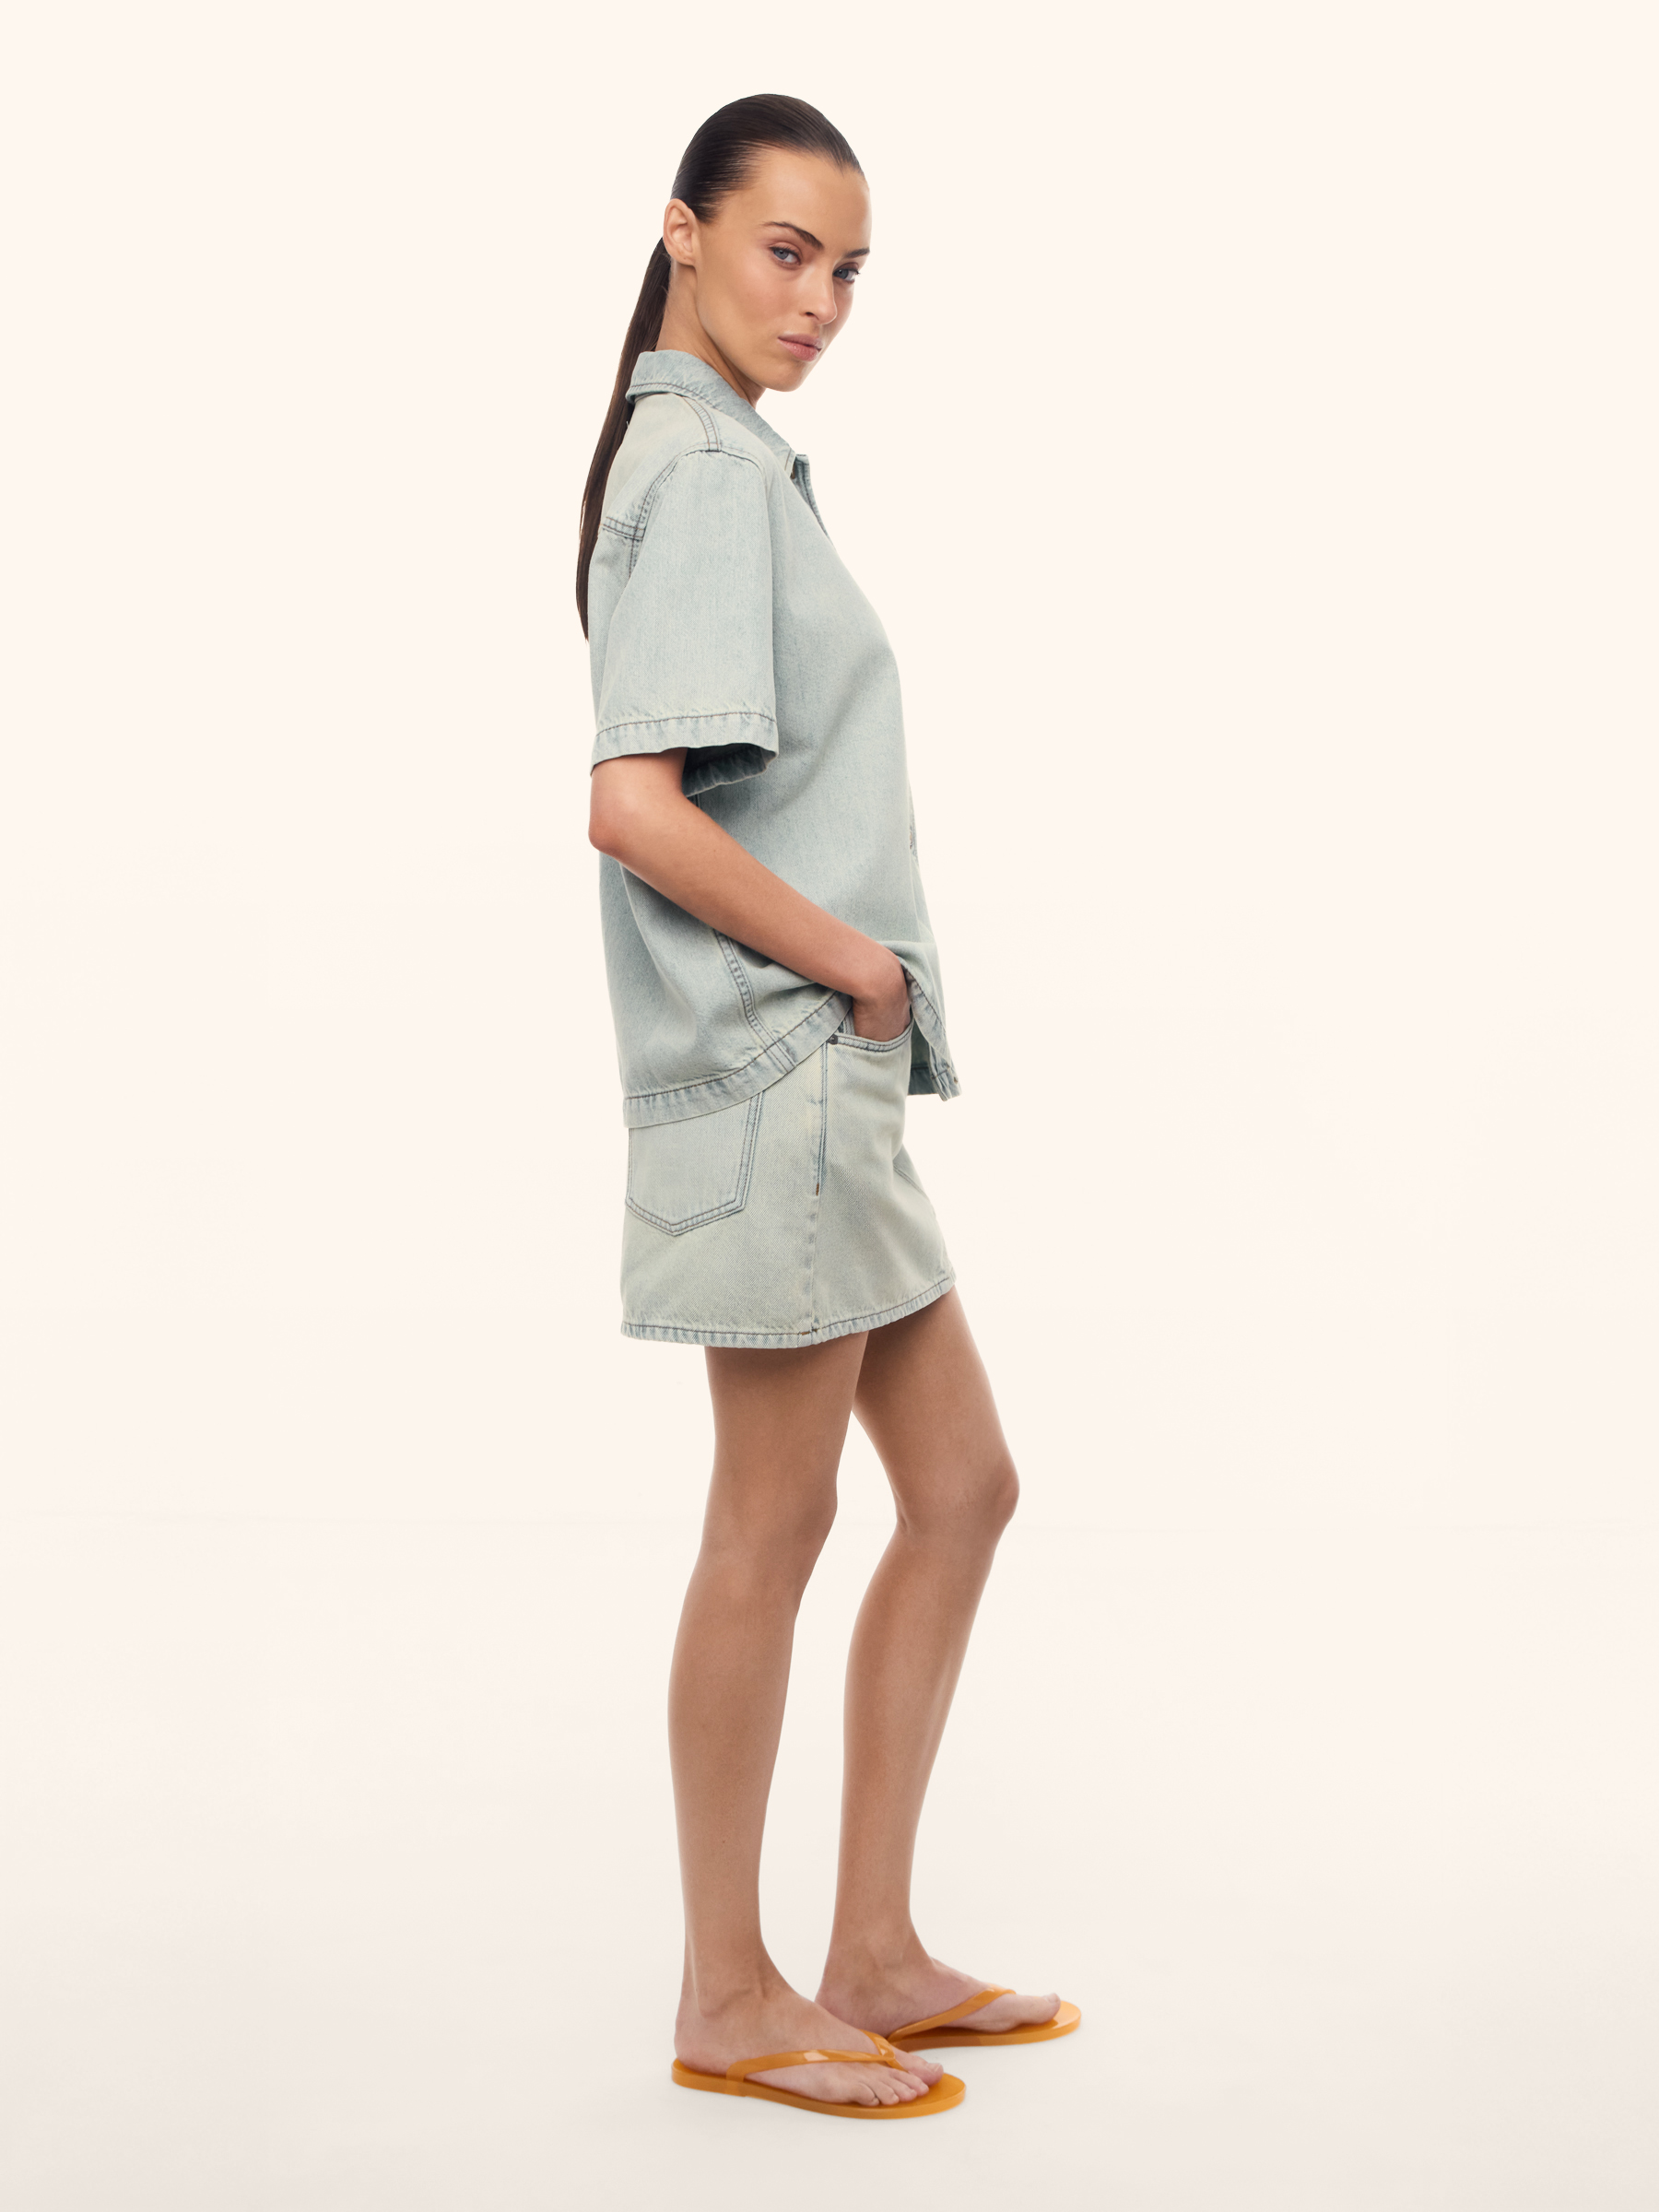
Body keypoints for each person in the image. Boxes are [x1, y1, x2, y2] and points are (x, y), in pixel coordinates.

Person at [579, 93, 1078, 2119]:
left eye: (851, 269)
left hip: (828, 1090)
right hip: (787, 1069)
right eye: (788, 250)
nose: (823, 300)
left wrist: (868, 1005)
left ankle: (870, 1948)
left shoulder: (733, 460)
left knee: (962, 1490)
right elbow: (633, 809)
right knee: (772, 1526)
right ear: (685, 231)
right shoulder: (700, 468)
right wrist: (860, 968)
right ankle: (729, 1990)